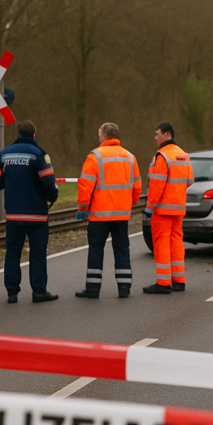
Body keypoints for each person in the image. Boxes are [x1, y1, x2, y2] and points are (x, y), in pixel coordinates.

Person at [0, 120, 59, 304]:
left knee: (12, 252)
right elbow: (49, 182)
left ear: (18, 134)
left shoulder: (4, 154)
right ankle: (39, 291)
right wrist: (52, 196)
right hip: (36, 214)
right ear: (34, 135)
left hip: (13, 215)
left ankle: (12, 292)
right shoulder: (39, 154)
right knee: (37, 253)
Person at [75, 122, 141, 298]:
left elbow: (85, 185)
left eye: (99, 134)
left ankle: (93, 289)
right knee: (122, 249)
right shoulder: (130, 157)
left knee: (96, 249)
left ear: (104, 136)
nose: (98, 137)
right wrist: (129, 203)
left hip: (99, 215)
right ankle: (124, 287)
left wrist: (82, 207)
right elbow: (137, 187)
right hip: (121, 214)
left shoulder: (95, 156)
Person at [142, 122, 193, 294]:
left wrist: (149, 207)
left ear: (167, 134)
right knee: (176, 241)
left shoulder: (162, 156)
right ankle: (179, 281)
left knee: (161, 242)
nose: (155, 137)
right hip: (178, 208)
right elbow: (190, 181)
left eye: (157, 134)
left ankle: (163, 282)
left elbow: (156, 186)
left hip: (162, 209)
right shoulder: (184, 155)